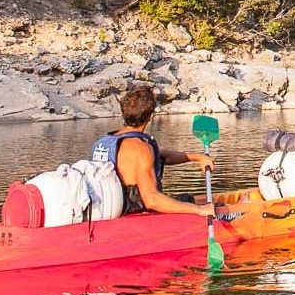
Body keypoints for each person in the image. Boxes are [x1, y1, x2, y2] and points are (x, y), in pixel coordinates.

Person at [90, 86, 218, 217]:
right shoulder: (140, 148)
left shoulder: (103, 142)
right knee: (193, 203)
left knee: (187, 199)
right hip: (135, 214)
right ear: (150, 116)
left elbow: (162, 156)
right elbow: (151, 200)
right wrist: (199, 210)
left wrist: (197, 157)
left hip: (108, 209)